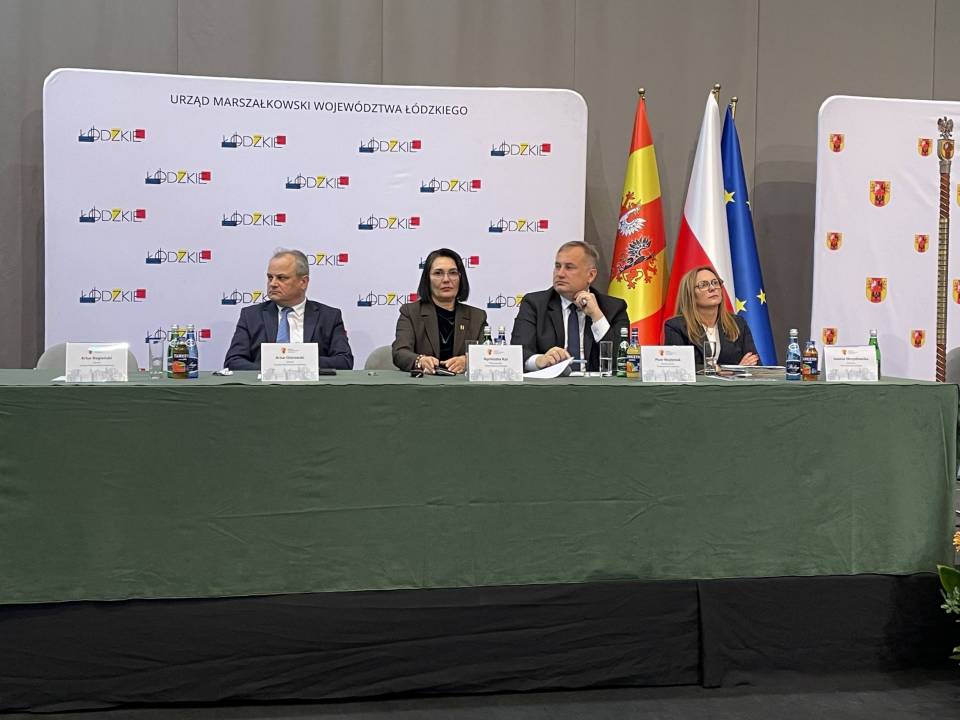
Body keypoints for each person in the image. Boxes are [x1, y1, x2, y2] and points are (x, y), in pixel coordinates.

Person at [224, 249, 353, 370]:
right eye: (270, 277)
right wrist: (272, 368)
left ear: (303, 282)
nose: (273, 284)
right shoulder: (251, 316)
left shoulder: (329, 317)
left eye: (281, 278)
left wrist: (300, 362)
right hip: (264, 385)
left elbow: (344, 361)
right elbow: (233, 361)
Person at [511, 240, 629, 372]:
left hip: (597, 384)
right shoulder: (535, 304)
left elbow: (621, 362)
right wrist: (540, 360)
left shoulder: (614, 308)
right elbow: (518, 353)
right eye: (557, 266)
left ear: (590, 275)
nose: (560, 274)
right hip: (552, 384)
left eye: (569, 267)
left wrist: (597, 316)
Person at [392, 248, 487, 374]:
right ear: (427, 279)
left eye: (453, 273)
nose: (446, 279)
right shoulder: (411, 312)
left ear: (460, 278)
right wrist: (420, 361)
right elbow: (400, 353)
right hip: (424, 383)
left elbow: (489, 354)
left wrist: (468, 361)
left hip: (462, 384)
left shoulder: (477, 317)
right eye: (438, 273)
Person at [663, 265, 759, 366]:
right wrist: (734, 370)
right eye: (703, 285)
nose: (712, 288)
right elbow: (678, 368)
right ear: (690, 293)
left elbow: (754, 363)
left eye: (715, 283)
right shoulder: (676, 327)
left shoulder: (738, 323)